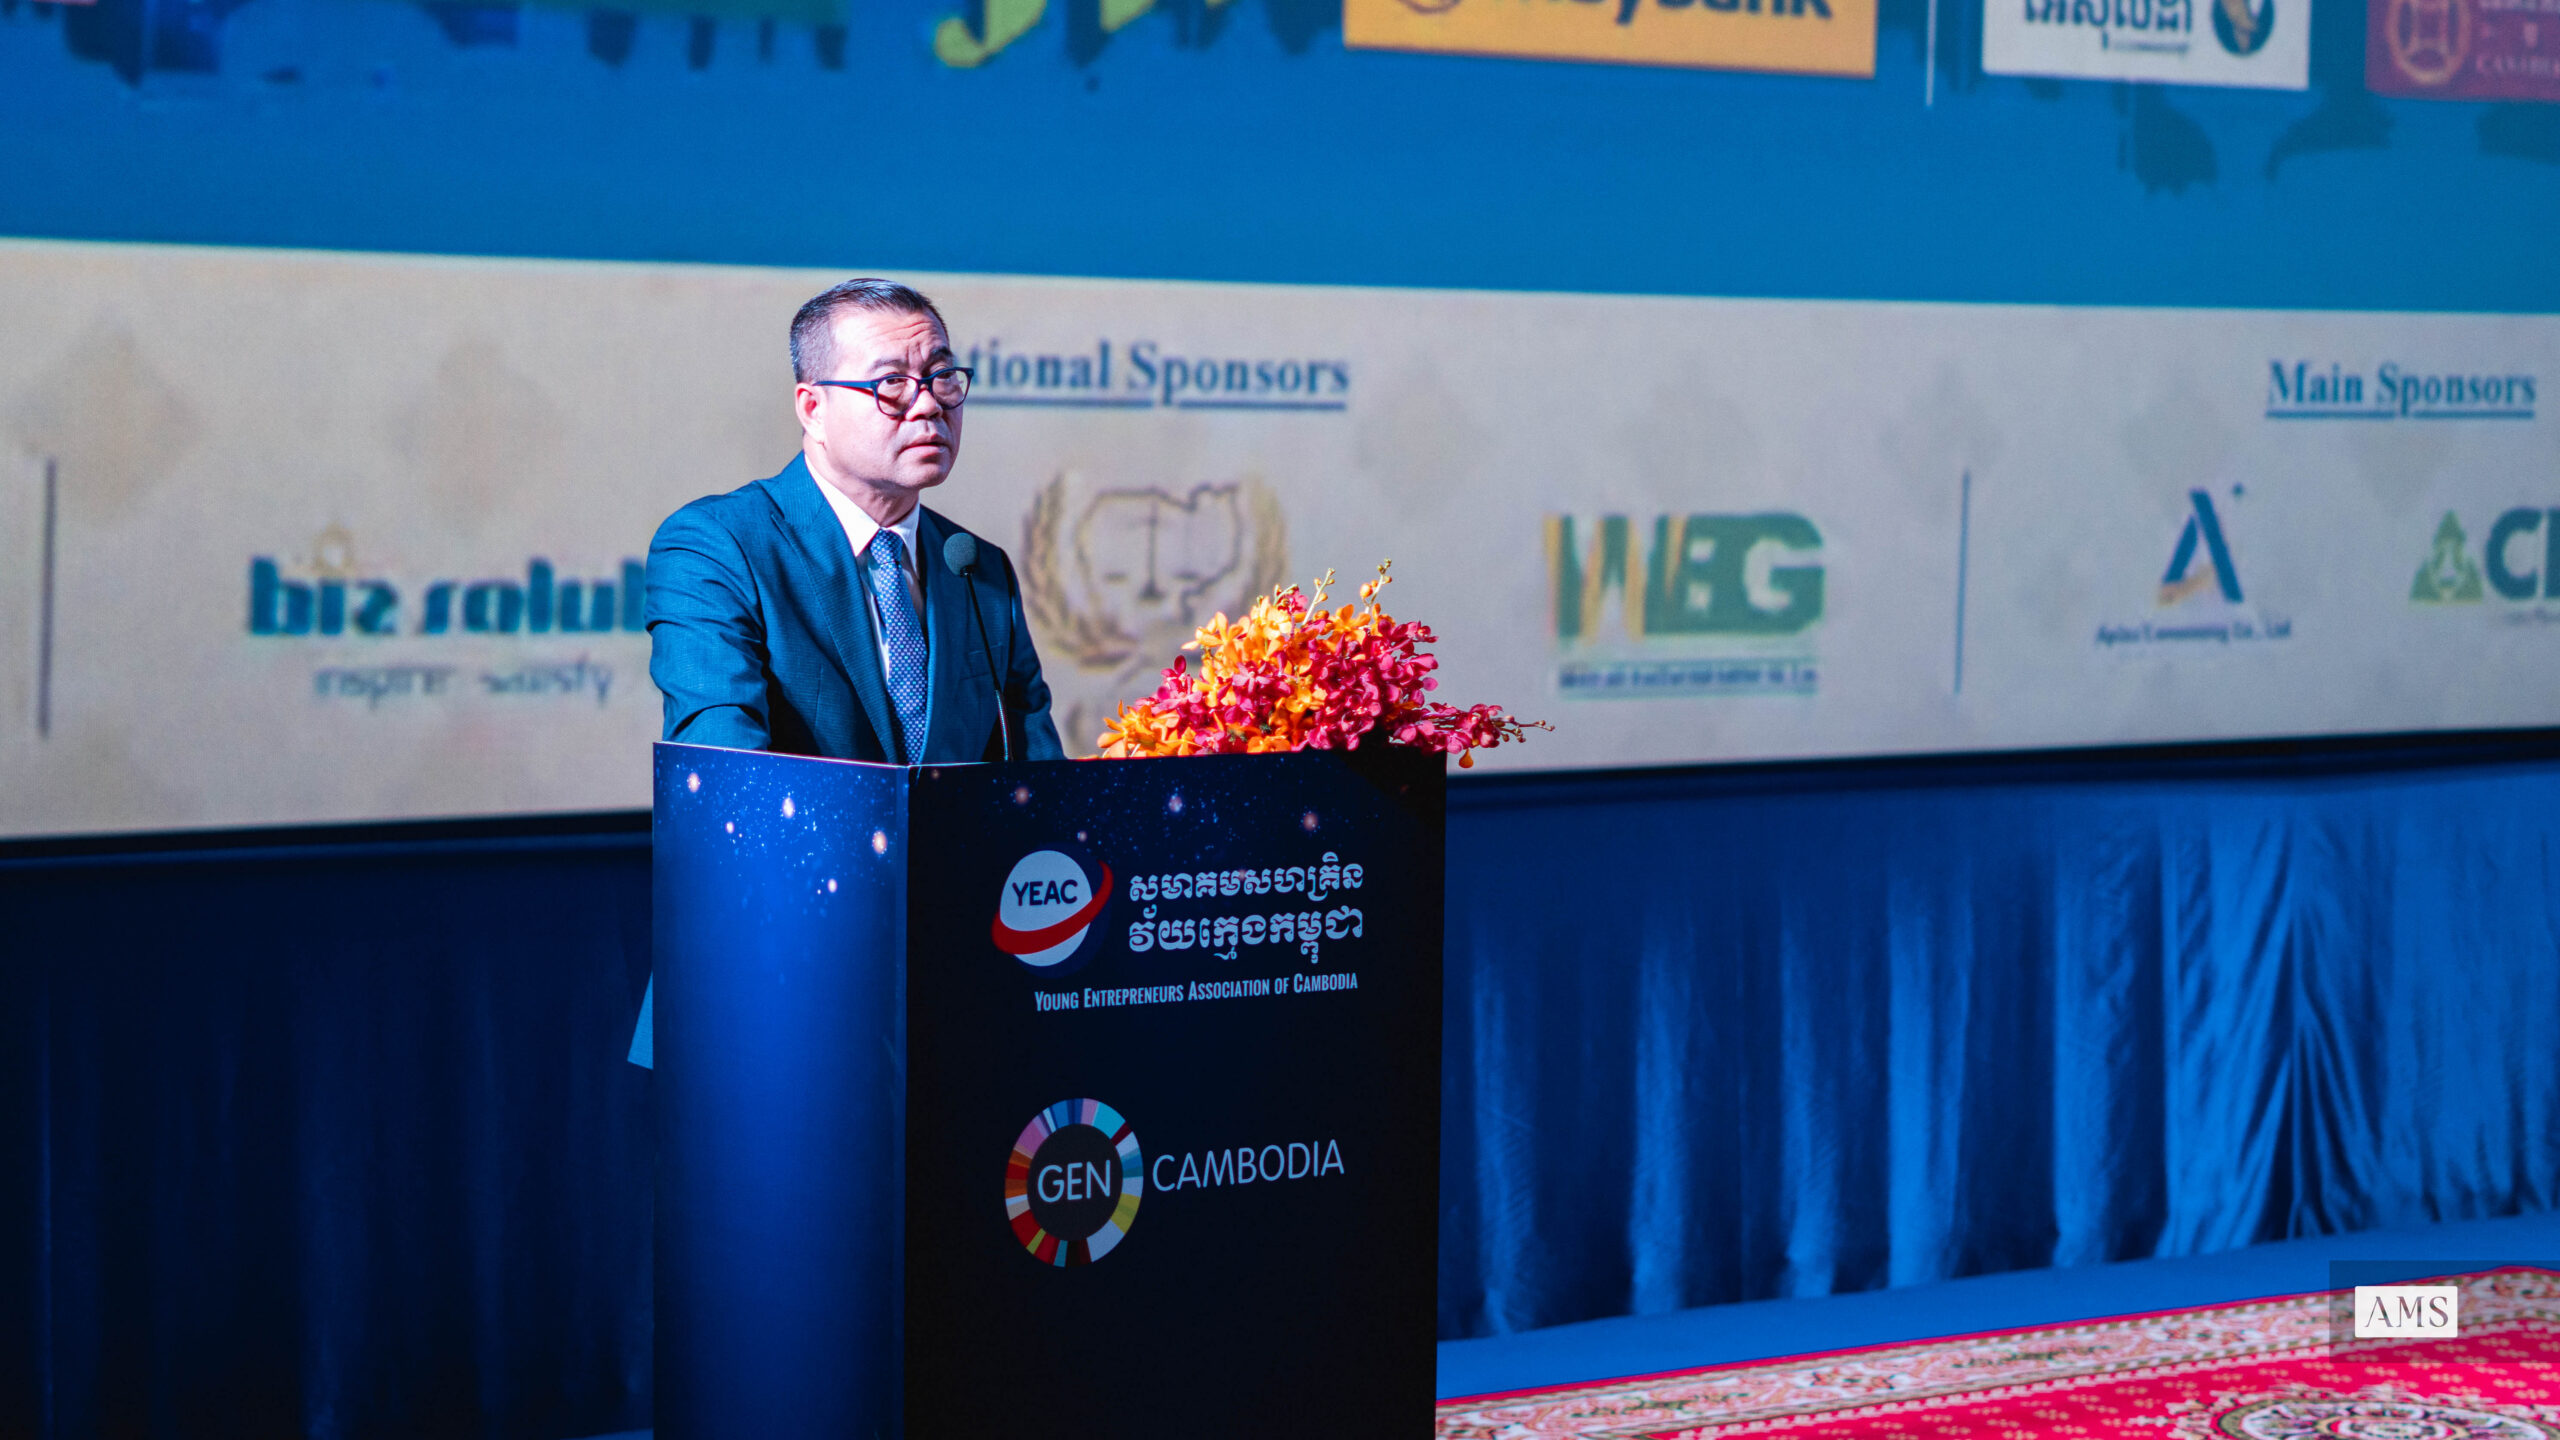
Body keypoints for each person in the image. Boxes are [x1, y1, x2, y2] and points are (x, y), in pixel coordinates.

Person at [644, 277, 1064, 764]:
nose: (929, 404)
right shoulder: (718, 548)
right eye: (892, 383)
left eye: (941, 376)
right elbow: (726, 772)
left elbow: (1040, 781)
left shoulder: (979, 570)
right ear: (813, 409)